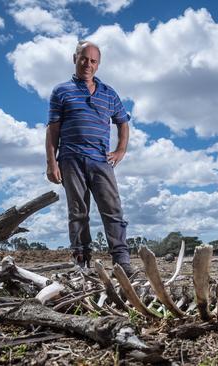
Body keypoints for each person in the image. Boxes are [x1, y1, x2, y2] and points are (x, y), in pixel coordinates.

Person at [45, 40, 134, 276]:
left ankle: (121, 262)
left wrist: (120, 151)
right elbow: (53, 129)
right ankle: (81, 260)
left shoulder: (109, 93)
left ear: (98, 64)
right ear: (75, 58)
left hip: (101, 160)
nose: (88, 64)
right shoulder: (61, 91)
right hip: (71, 158)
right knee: (78, 211)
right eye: (84, 58)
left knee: (112, 210)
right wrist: (51, 162)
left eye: (93, 60)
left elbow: (123, 122)